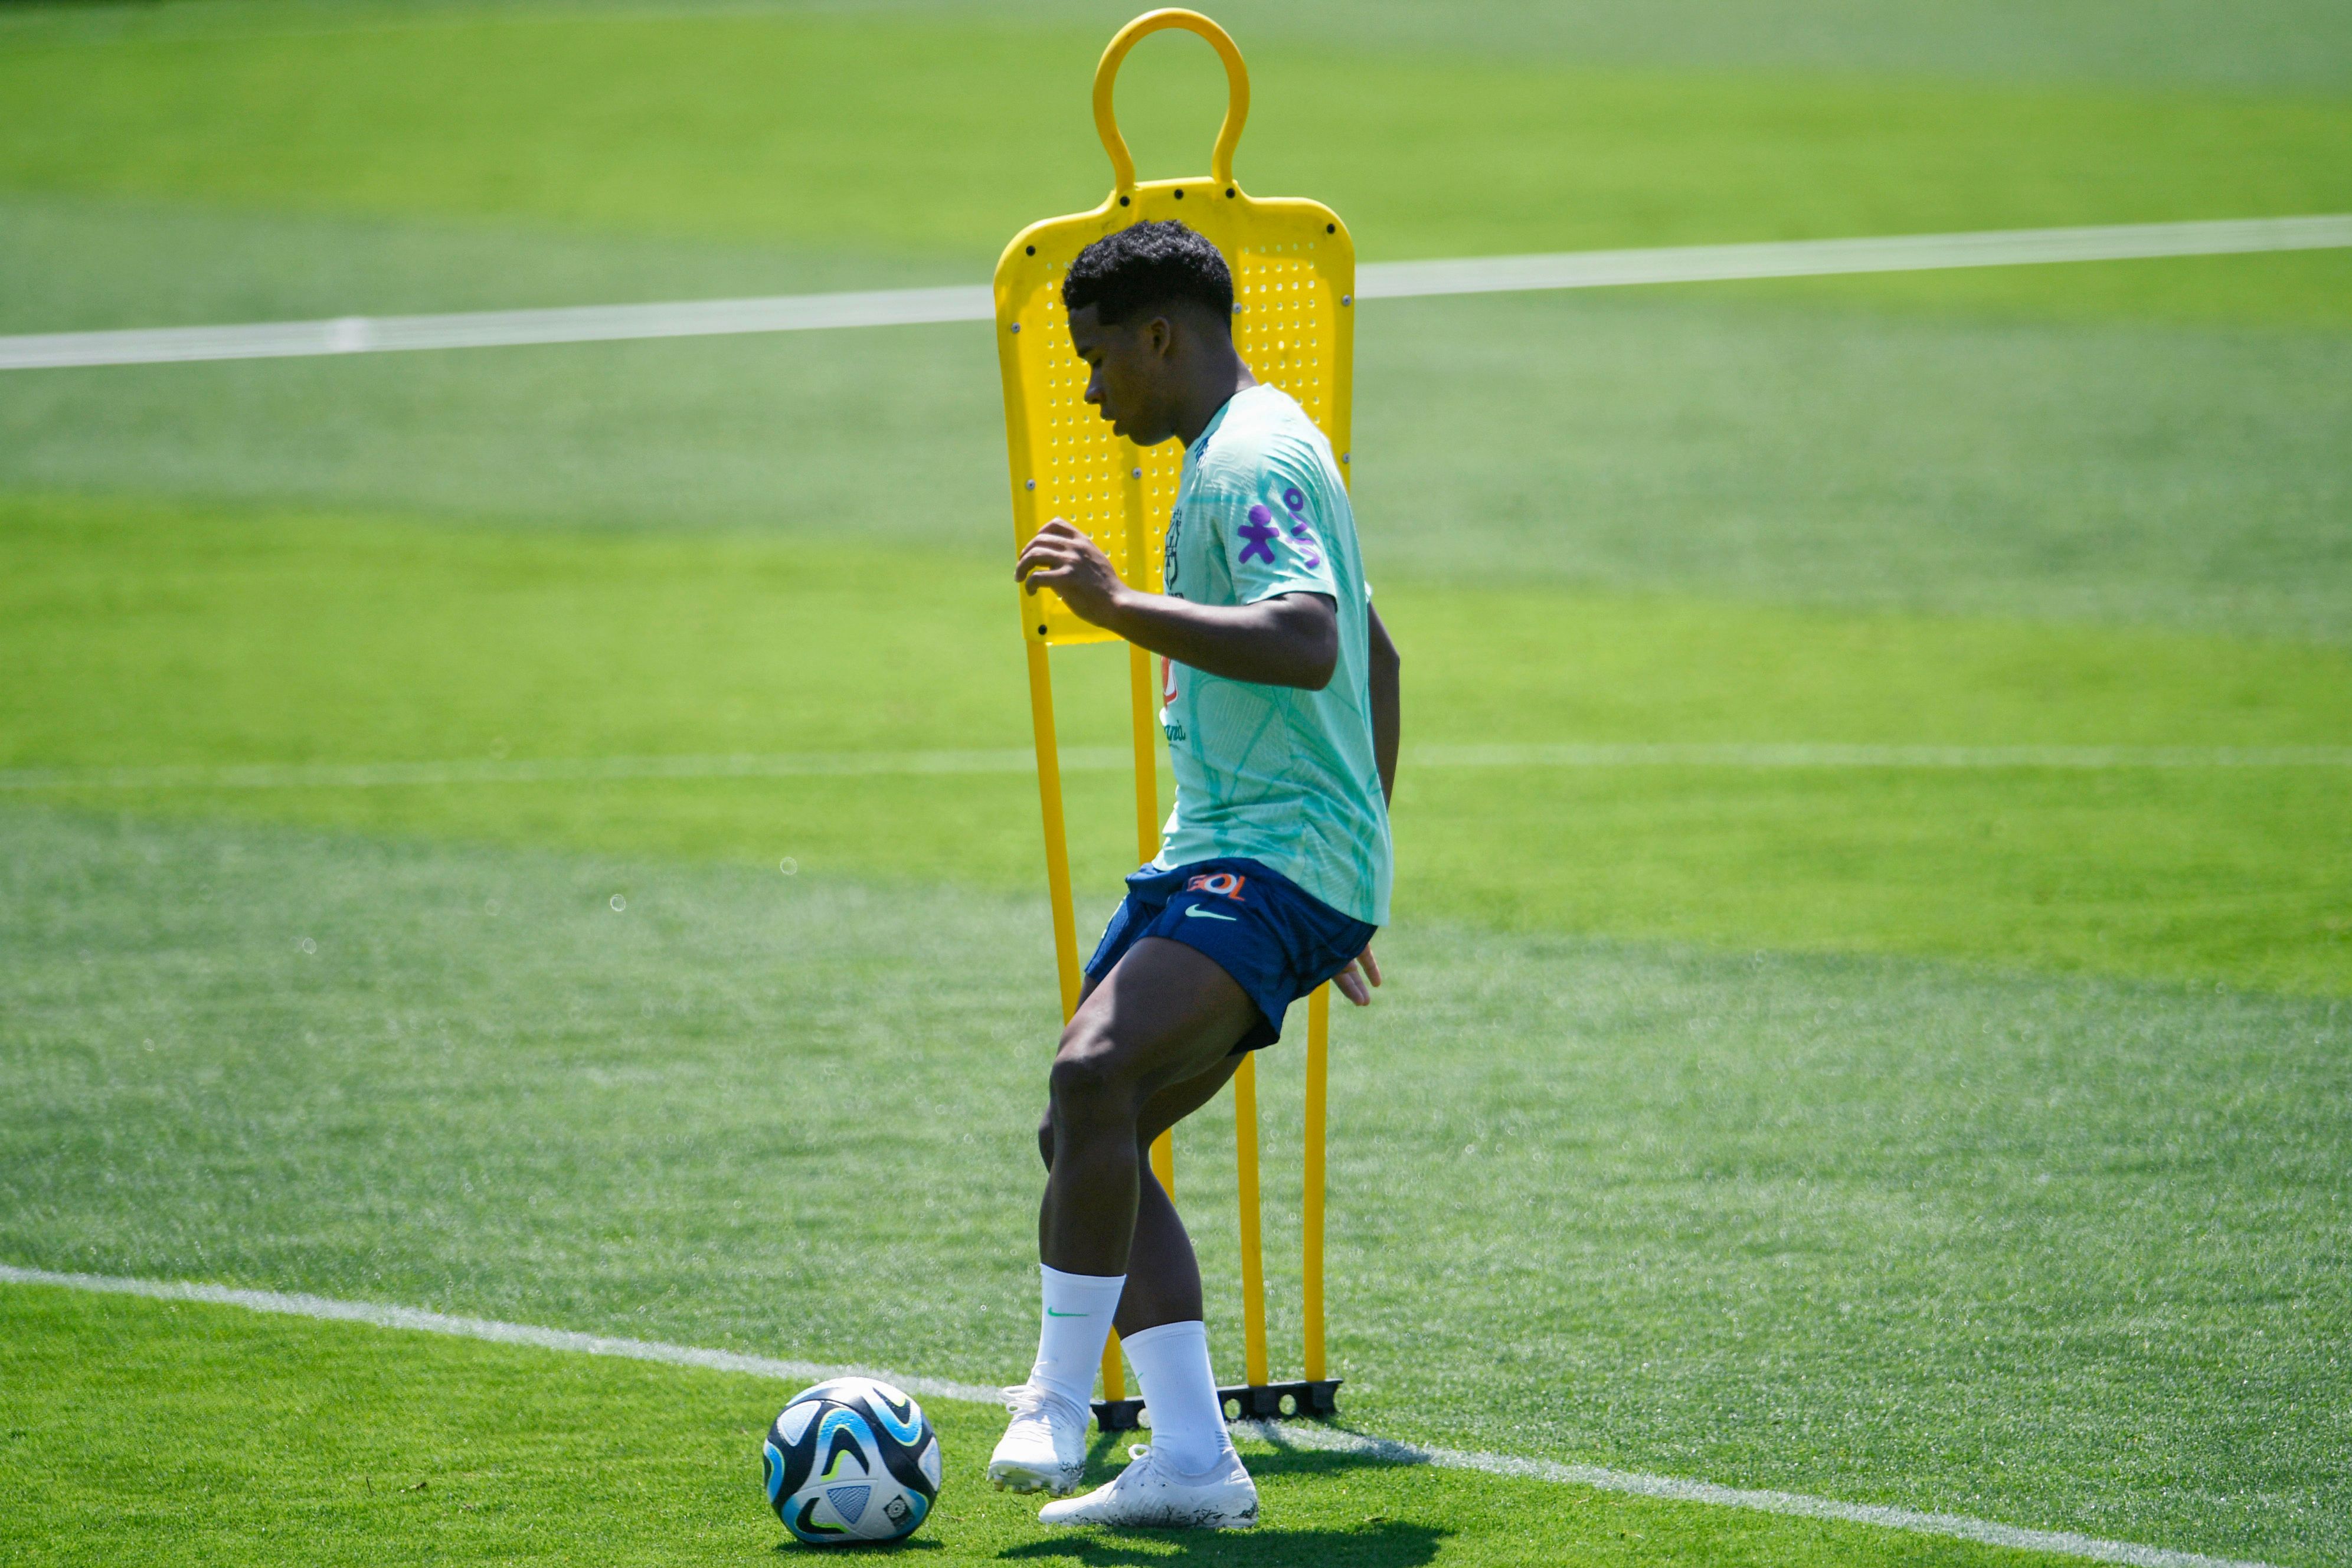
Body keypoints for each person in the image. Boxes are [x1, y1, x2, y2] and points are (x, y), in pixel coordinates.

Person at [989, 220, 1400, 1530]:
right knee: (1086, 1131)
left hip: (1267, 858)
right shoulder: (1260, 448)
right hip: (1247, 853)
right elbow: (1384, 660)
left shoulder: (1252, 460)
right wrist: (1358, 861)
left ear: (1161, 335)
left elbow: (1311, 641)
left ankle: (1055, 1399)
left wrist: (1115, 610)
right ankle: (1190, 1461)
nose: (1094, 391)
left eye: (1101, 359)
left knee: (1089, 1070)